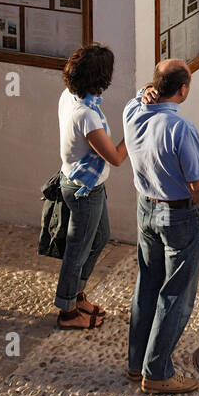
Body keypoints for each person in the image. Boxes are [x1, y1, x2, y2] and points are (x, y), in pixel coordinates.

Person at [123, 58, 199, 394]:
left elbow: (139, 96)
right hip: (179, 217)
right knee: (176, 295)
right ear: (183, 90)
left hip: (146, 210)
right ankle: (157, 373)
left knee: (147, 286)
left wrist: (146, 91)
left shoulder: (132, 111)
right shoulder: (180, 129)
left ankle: (136, 363)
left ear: (154, 86)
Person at [55, 44, 128, 329]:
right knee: (78, 249)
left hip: (82, 183)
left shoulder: (69, 96)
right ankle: (67, 312)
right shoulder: (87, 115)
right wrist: (136, 128)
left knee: (99, 238)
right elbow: (117, 157)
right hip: (84, 191)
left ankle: (76, 294)